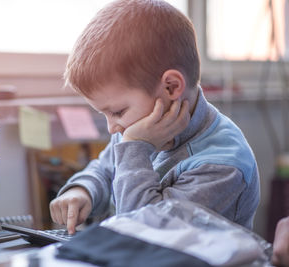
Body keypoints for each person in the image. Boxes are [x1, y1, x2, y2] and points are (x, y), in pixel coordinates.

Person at [50, 0, 260, 235]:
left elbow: (144, 232)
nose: (112, 128)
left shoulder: (222, 166)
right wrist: (83, 190)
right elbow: (106, 169)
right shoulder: (135, 131)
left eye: (118, 112)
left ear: (171, 87)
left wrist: (135, 150)